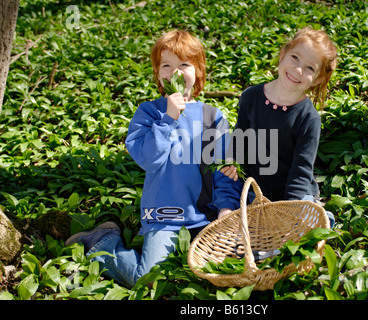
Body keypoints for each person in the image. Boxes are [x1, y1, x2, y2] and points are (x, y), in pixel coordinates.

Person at [65, 30, 242, 288]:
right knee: (149, 279)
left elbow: (224, 171)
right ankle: (103, 243)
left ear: (199, 71)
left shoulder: (212, 117)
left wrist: (226, 209)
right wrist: (169, 118)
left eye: (184, 64)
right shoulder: (148, 113)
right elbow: (149, 159)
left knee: (221, 275)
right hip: (165, 217)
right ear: (158, 74)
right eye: (166, 65)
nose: (175, 72)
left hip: (206, 216)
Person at [221, 27, 337, 227]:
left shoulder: (308, 118)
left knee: (301, 226)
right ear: (283, 55)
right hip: (256, 187)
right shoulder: (251, 97)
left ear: (317, 79)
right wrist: (233, 161)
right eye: (295, 58)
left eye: (310, 68)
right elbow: (241, 138)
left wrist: (287, 212)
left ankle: (319, 215)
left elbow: (300, 172)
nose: (298, 69)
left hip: (294, 192)